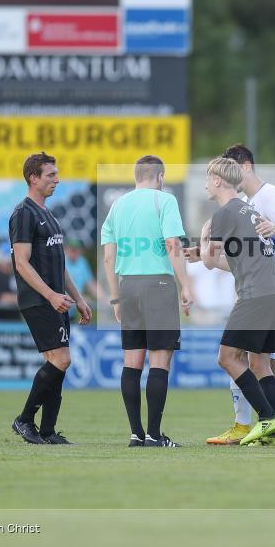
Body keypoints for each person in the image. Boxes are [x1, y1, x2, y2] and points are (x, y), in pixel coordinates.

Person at [204, 143, 275, 446]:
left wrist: (205, 239)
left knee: (227, 357)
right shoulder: (250, 210)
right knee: (261, 363)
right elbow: (237, 260)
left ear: (218, 181)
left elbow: (210, 262)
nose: (206, 183)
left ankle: (268, 420)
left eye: (208, 178)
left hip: (255, 295)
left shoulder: (223, 214)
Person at [101, 155, 193, 448]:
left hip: (127, 286)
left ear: (136, 176)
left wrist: (115, 296)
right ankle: (154, 434)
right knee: (160, 361)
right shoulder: (164, 201)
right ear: (160, 176)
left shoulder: (118, 205)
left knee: (132, 362)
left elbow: (108, 255)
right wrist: (186, 285)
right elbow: (172, 244)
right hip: (158, 284)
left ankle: (136, 433)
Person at [10, 152, 92, 445]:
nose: (57, 180)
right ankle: (24, 420)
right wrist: (49, 294)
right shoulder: (24, 213)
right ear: (33, 178)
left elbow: (60, 265)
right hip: (38, 299)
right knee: (61, 359)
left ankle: (47, 430)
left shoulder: (49, 214)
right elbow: (21, 262)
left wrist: (78, 298)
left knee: (58, 362)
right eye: (51, 175)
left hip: (56, 299)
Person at [64, 239, 101, 319]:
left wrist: (105, 299)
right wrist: (80, 298)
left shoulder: (82, 262)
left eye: (77, 250)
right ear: (66, 250)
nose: (75, 253)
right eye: (72, 250)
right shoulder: (61, 261)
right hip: (58, 309)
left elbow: (91, 284)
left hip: (71, 312)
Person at [0, 242, 20, 321]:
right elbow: (4, 299)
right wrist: (25, 298)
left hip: (15, 320)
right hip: (0, 322)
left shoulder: (13, 275)